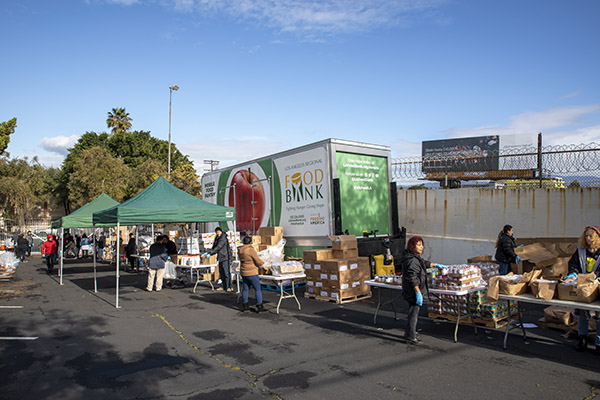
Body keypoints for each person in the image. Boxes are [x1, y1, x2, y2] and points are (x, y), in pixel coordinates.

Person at [401, 236, 447, 344]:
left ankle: (408, 333)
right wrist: (417, 292)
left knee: (412, 312)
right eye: (418, 245)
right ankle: (411, 337)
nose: (421, 247)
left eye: (422, 245)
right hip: (413, 291)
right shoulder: (412, 260)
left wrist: (436, 265)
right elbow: (412, 278)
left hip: (413, 290)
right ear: (412, 246)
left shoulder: (414, 258)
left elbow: (424, 263)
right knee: (414, 313)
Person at [564, 225, 600, 353]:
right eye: (586, 236)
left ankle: (599, 343)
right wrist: (573, 273)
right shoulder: (581, 251)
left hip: (597, 287)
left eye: (591, 236)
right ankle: (582, 339)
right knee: (582, 314)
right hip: (582, 287)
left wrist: (595, 278)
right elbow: (573, 264)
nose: (588, 238)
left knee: (599, 316)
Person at [238, 236, 266, 312]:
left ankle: (245, 304)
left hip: (244, 271)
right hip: (252, 272)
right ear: (250, 242)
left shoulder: (240, 250)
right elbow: (257, 260)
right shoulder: (250, 250)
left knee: (245, 288)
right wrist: (263, 263)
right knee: (257, 289)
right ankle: (259, 305)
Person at [206, 227, 233, 292]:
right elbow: (215, 246)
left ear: (221, 231)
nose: (217, 233)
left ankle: (229, 286)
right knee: (221, 272)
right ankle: (224, 286)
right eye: (216, 232)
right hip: (220, 257)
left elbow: (219, 246)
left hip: (225, 257)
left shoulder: (223, 238)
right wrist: (209, 252)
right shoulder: (217, 238)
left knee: (226, 273)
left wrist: (211, 252)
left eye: (218, 231)